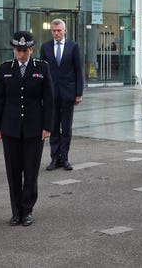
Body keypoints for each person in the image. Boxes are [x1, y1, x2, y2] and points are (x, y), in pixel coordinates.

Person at [0, 31, 53, 227]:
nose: (21, 55)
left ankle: (27, 210)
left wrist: (47, 126)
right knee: (13, 172)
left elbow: (49, 100)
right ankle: (15, 211)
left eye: (25, 51)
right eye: (18, 51)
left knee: (30, 171)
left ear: (32, 49)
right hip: (10, 128)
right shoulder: (5, 68)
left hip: (34, 129)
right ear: (14, 50)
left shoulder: (42, 68)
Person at [39, 19, 84, 171]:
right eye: (54, 30)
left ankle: (64, 158)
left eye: (59, 30)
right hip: (51, 94)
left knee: (66, 128)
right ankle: (54, 159)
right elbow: (42, 72)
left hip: (68, 93)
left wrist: (79, 93)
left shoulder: (73, 47)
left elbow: (78, 71)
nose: (56, 33)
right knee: (53, 127)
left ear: (65, 31)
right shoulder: (45, 47)